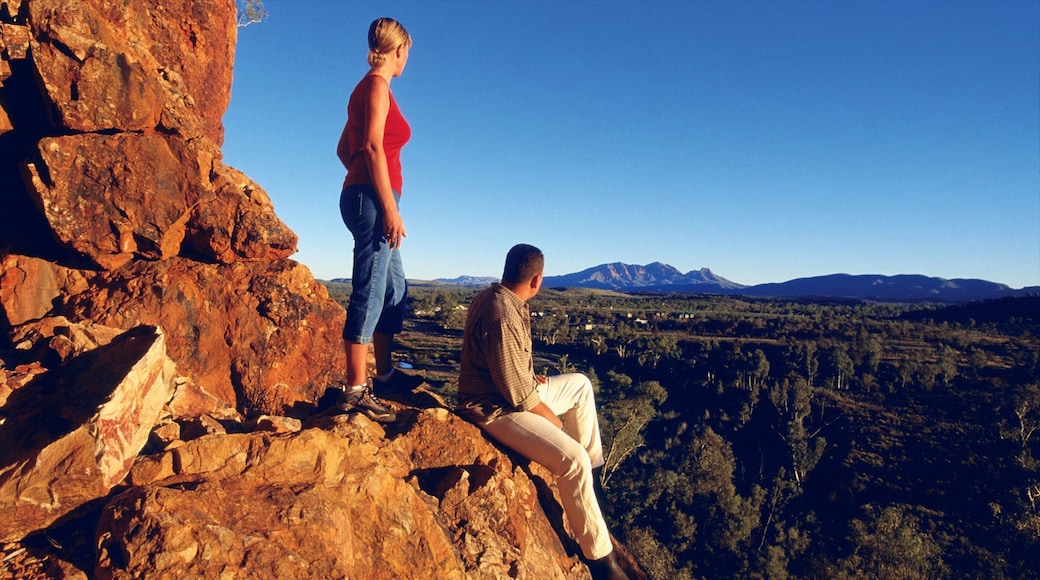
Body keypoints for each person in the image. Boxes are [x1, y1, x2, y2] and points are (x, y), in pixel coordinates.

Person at [457, 244, 628, 580]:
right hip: (494, 408)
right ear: (536, 279)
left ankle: (594, 479)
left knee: (579, 384)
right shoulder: (503, 313)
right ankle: (602, 561)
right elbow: (519, 396)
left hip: (511, 390)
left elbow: (509, 366)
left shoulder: (503, 298)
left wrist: (526, 372)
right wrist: (549, 417)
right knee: (572, 460)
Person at [334, 17, 423, 422]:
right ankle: (355, 390)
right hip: (374, 199)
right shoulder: (376, 86)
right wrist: (388, 207)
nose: (408, 60)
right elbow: (368, 147)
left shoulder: (370, 88)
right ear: (399, 50)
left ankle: (384, 374)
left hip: (369, 193)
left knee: (393, 286)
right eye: (408, 53)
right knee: (370, 289)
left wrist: (363, 178)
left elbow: (344, 147)